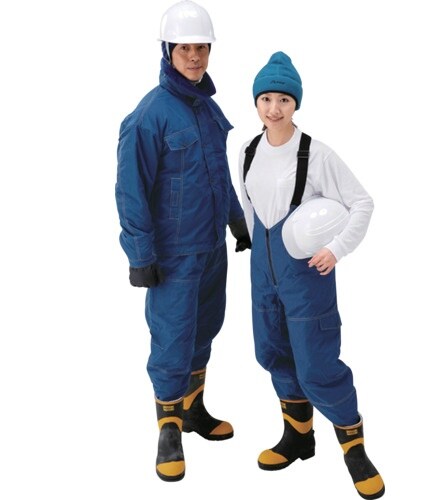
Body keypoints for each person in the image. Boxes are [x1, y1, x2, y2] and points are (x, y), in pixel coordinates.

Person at [238, 51, 385, 499]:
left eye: (284, 100)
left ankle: (354, 449)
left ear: (295, 104)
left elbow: (362, 203)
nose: (274, 109)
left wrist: (336, 249)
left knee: (317, 364)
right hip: (263, 271)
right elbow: (250, 208)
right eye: (266, 99)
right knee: (273, 352)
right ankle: (298, 437)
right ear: (256, 103)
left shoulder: (317, 154)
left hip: (305, 274)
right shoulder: (247, 151)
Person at [115, 0, 250, 482]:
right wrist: (140, 255)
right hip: (172, 256)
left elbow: (218, 174)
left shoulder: (208, 109)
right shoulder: (149, 116)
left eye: (202, 48)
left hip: (211, 248)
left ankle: (192, 409)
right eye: (185, 48)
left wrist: (237, 222)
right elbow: (131, 191)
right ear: (168, 50)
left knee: (205, 328)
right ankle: (168, 430)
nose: (194, 56)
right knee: (173, 338)